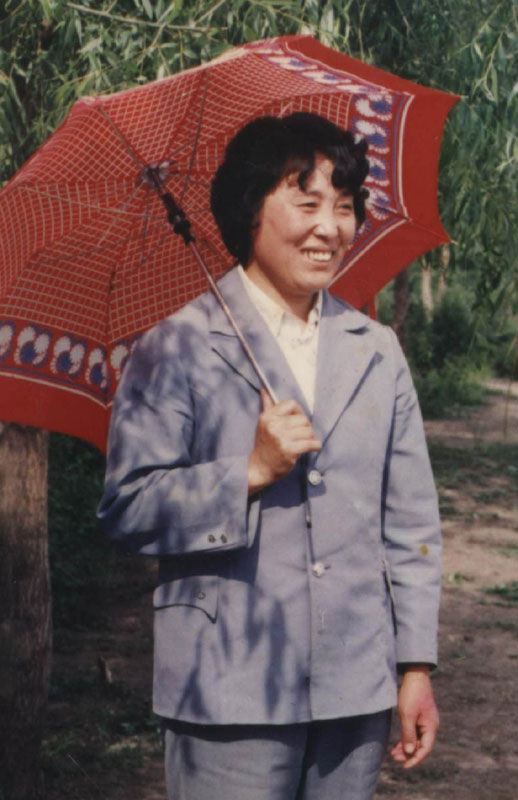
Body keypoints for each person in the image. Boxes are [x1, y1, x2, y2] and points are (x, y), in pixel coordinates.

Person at [97, 112, 441, 800]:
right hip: (227, 689)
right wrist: (248, 472)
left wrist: (414, 666)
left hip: (354, 689)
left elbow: (411, 525)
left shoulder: (376, 350)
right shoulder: (176, 347)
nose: (330, 228)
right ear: (250, 210)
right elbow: (128, 508)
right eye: (306, 203)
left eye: (345, 206)